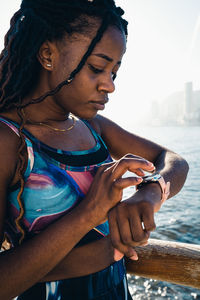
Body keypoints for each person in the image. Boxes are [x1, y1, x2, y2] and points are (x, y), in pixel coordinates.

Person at [0, 0, 189, 299]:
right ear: (48, 54)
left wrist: (150, 193)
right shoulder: (9, 141)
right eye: (97, 67)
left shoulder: (93, 127)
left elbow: (174, 161)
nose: (110, 85)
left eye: (114, 72)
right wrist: (90, 212)